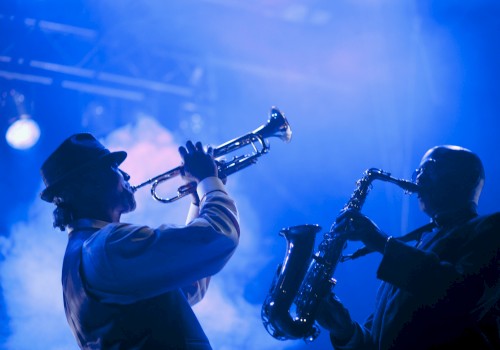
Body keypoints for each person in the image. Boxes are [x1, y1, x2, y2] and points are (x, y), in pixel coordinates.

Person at [39, 133, 240, 349]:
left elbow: (187, 283)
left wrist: (201, 199)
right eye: (114, 168)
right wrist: (209, 181)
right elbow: (219, 237)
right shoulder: (107, 247)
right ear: (91, 183)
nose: (126, 175)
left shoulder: (81, 258)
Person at [315, 145, 500, 349]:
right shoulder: (415, 250)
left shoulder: (493, 228)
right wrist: (345, 331)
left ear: (467, 177)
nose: (418, 178)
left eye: (429, 168)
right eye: (417, 172)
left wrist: (382, 243)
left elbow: (463, 296)